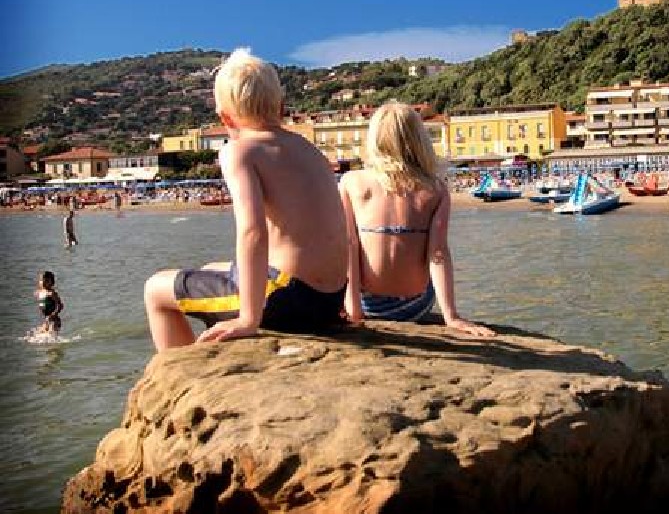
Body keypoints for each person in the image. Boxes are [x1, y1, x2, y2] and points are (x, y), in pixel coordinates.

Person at [143, 48, 349, 351]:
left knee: (156, 289)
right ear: (281, 106)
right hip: (329, 299)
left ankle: (187, 367)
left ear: (225, 117)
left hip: (288, 298)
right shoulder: (308, 148)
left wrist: (248, 319)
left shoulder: (238, 151)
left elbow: (252, 231)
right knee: (212, 267)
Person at [339, 101, 495, 337]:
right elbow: (438, 253)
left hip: (368, 304)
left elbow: (348, 248)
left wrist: (354, 311)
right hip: (414, 307)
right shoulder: (435, 189)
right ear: (419, 140)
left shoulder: (352, 182)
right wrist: (451, 316)